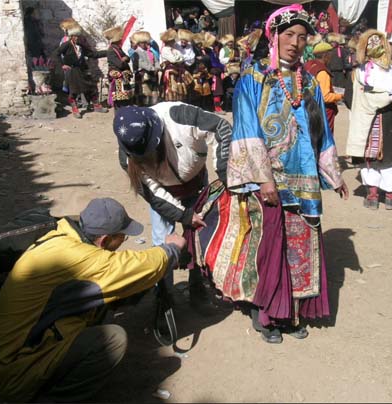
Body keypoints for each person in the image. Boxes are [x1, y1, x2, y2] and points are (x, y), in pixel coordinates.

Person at [188, 4, 348, 344]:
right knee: (270, 246)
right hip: (270, 179)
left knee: (301, 245)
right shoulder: (254, 77)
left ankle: (294, 312)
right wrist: (263, 179)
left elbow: (321, 130)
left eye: (302, 37)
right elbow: (247, 130)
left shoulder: (309, 82)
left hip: (304, 178)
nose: (295, 43)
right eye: (288, 34)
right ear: (273, 37)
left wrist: (334, 174)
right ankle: (267, 315)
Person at [0, 198, 186, 402]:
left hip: (12, 352)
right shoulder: (84, 259)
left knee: (104, 297)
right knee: (113, 340)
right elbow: (134, 266)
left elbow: (119, 281)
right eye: (122, 237)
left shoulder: (63, 235)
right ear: (105, 240)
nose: (123, 242)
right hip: (16, 370)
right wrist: (172, 249)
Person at [113, 103, 232, 310]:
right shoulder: (128, 155)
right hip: (164, 193)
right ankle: (164, 296)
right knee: (163, 244)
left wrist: (224, 171)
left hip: (196, 183)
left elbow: (221, 127)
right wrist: (184, 215)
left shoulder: (179, 116)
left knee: (199, 238)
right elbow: (153, 193)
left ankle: (198, 288)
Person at [345, 29, 392, 210]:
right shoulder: (388, 70)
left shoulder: (359, 71)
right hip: (387, 117)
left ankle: (372, 196)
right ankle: (391, 197)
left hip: (365, 119)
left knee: (368, 159)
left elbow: (350, 96)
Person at [52, 24, 107, 118]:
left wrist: (107, 52)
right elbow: (55, 54)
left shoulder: (80, 46)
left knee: (91, 87)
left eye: (78, 36)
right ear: (71, 36)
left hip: (81, 70)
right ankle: (75, 109)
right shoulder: (67, 45)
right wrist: (62, 65)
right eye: (75, 36)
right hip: (71, 71)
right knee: (74, 91)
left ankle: (96, 106)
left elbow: (92, 54)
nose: (77, 38)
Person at [304, 41, 344, 135]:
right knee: (325, 137)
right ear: (325, 55)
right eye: (330, 55)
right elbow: (325, 97)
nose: (331, 58)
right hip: (323, 111)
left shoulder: (308, 65)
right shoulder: (322, 72)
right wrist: (341, 96)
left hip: (309, 107)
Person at [159, 28, 193, 102]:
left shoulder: (173, 49)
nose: (174, 41)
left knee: (178, 87)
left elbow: (181, 58)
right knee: (171, 87)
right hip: (170, 72)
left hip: (177, 71)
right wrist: (178, 58)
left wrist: (178, 58)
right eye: (173, 40)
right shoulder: (165, 49)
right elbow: (173, 60)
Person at [105, 26, 133, 112]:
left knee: (126, 97)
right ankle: (119, 114)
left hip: (123, 77)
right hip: (118, 78)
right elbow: (120, 64)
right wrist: (124, 60)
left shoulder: (117, 48)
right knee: (119, 98)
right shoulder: (111, 50)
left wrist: (125, 59)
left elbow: (127, 58)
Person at [130, 31, 161, 107]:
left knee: (154, 92)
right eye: (142, 43)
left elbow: (156, 60)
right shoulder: (136, 53)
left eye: (145, 42)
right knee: (143, 93)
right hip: (143, 76)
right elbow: (141, 63)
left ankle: (153, 106)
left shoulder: (150, 52)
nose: (144, 44)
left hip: (152, 75)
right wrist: (153, 68)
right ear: (138, 43)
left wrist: (157, 67)